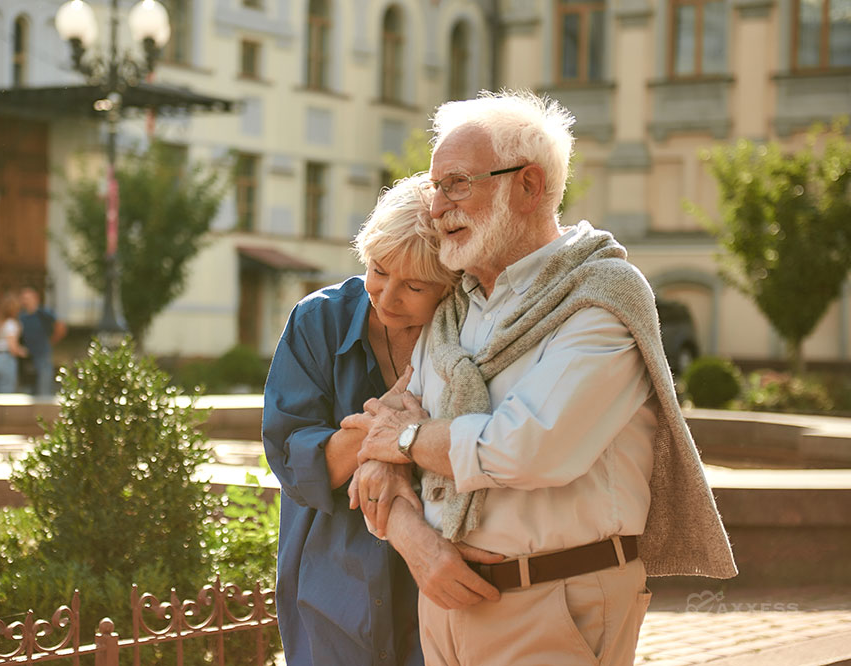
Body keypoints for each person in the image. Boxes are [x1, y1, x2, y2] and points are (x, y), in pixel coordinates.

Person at [344, 91, 737, 665]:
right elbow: (381, 439)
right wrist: (415, 540)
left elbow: (527, 448)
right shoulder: (456, 310)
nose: (436, 208)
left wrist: (404, 442)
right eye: (435, 187)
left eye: (457, 184)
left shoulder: (602, 298)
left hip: (557, 600)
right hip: (445, 597)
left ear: (528, 186)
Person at [262, 174, 502, 666]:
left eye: (414, 286)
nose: (387, 297)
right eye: (378, 270)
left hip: (439, 587)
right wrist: (385, 432)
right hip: (332, 588)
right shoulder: (317, 321)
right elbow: (298, 464)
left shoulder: (470, 331)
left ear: (451, 282)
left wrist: (394, 443)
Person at [18, 286, 67, 396]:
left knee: (43, 390)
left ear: (35, 298)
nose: (24, 301)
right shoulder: (22, 316)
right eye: (23, 298)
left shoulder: (44, 314)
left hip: (42, 355)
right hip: (28, 357)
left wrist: (51, 341)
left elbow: (61, 327)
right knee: (29, 391)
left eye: (27, 298)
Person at [0, 291, 27, 393]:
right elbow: (12, 346)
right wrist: (22, 352)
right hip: (5, 358)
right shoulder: (11, 324)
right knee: (5, 392)